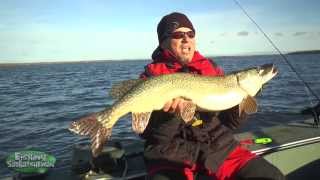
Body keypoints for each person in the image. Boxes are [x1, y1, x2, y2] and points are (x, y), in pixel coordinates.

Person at [139, 12, 285, 180]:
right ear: (163, 42)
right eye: (179, 35)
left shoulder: (212, 71)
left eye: (190, 34)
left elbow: (229, 123)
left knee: (272, 177)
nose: (186, 39)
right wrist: (170, 116)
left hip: (218, 148)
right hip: (170, 155)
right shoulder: (150, 78)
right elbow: (149, 134)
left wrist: (248, 95)